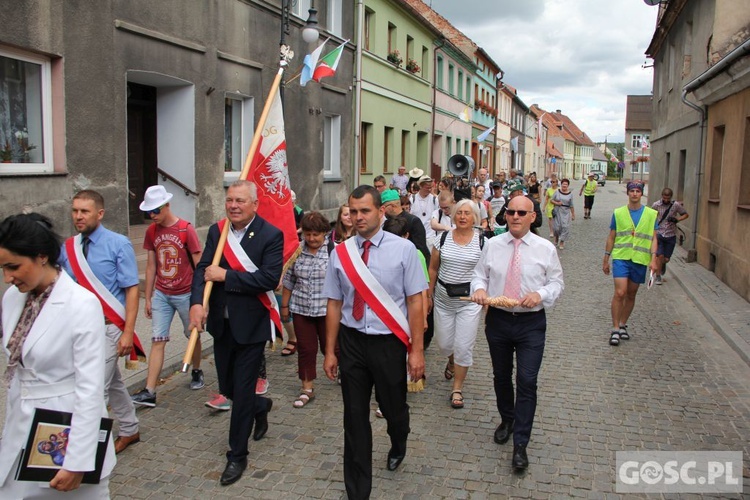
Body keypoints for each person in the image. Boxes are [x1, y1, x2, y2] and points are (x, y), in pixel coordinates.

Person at [0, 214, 117, 498]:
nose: (7, 277)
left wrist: (77, 459)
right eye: (3, 268)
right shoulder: (13, 297)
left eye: (13, 267)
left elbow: (90, 387)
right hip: (20, 428)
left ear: (41, 257)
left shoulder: (81, 304)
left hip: (65, 431)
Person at [323, 185, 427, 499]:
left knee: (393, 409)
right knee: (354, 418)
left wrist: (417, 351)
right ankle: (358, 491)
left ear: (381, 212)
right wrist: (330, 351)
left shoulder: (404, 249)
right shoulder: (341, 253)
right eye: (353, 211)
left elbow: (415, 303)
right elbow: (333, 303)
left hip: (389, 343)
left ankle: (399, 438)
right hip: (353, 342)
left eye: (364, 210)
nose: (358, 217)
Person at [189, 180, 282, 486]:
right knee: (230, 388)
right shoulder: (218, 231)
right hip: (221, 324)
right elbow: (204, 269)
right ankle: (260, 406)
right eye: (230, 200)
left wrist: (226, 275)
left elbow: (268, 279)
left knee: (241, 392)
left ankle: (237, 455)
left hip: (252, 327)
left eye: (240, 201)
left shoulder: (271, 235)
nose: (233, 206)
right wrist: (195, 304)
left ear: (254, 204)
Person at [470, 195, 564, 472]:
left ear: (532, 216)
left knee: (527, 380)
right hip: (498, 320)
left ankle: (521, 443)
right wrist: (479, 289)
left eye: (522, 212)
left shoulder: (545, 248)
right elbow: (479, 274)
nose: (515, 217)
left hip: (531, 323)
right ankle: (507, 419)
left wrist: (541, 293)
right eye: (511, 212)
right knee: (501, 375)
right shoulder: (493, 244)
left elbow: (557, 282)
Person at [58, 189, 141, 454]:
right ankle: (130, 429)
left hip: (108, 327)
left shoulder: (118, 244)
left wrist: (128, 332)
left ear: (100, 213)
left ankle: (89, 451)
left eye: (85, 211)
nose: (78, 217)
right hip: (80, 328)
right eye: (75, 211)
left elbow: (131, 289)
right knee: (112, 382)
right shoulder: (68, 248)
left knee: (94, 390)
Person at [131, 185, 204, 408]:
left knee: (192, 335)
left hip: (185, 293)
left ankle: (197, 369)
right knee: (157, 340)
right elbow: (152, 265)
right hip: (163, 293)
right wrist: (150, 296)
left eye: (155, 211)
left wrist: (200, 300)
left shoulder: (185, 229)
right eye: (148, 213)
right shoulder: (152, 231)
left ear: (167, 206)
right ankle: (150, 390)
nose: (152, 216)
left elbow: (199, 264)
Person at [428, 199, 483, 410]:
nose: (462, 216)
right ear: (453, 216)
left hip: (469, 302)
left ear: (474, 218)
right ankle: (451, 360)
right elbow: (433, 268)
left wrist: (483, 294)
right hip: (443, 300)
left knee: (464, 346)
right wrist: (428, 295)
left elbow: (486, 273)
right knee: (444, 344)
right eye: (459, 212)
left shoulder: (482, 242)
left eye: (467, 213)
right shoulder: (442, 239)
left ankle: (457, 388)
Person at [281, 212, 334, 408]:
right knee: (306, 349)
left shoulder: (334, 251)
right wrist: (284, 306)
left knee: (331, 347)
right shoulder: (297, 251)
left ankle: (341, 370)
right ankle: (307, 387)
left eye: (315, 235)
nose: (311, 239)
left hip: (327, 310)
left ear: (324, 233)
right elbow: (289, 280)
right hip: (302, 308)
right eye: (307, 234)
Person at [603, 181, 659, 346]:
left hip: (640, 259)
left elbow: (654, 238)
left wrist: (654, 259)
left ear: (641, 194)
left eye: (637, 191)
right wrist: (606, 258)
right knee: (620, 292)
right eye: (632, 191)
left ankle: (622, 324)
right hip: (621, 257)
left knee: (631, 294)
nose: (634, 194)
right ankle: (614, 329)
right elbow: (612, 236)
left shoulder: (650, 214)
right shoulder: (618, 213)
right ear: (628, 193)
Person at [652, 188, 689, 285]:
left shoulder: (675, 205)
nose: (666, 200)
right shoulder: (656, 205)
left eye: (668, 198)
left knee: (666, 258)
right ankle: (658, 276)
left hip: (671, 234)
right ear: (662, 196)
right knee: (660, 255)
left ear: (671, 197)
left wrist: (677, 219)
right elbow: (650, 216)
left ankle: (662, 263)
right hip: (659, 233)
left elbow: (685, 214)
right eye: (664, 198)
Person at [381, 189, 430, 262]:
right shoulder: (386, 221)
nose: (382, 210)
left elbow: (421, 249)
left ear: (392, 206)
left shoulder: (413, 221)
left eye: (384, 207)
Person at [551, 178, 575, 250]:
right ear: (561, 185)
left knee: (565, 227)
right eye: (563, 184)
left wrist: (573, 214)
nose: (564, 185)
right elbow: (551, 200)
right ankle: (556, 238)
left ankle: (562, 241)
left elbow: (571, 205)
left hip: (566, 212)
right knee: (556, 227)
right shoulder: (557, 192)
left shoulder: (570, 194)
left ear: (568, 185)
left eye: (566, 184)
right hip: (558, 210)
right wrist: (557, 203)